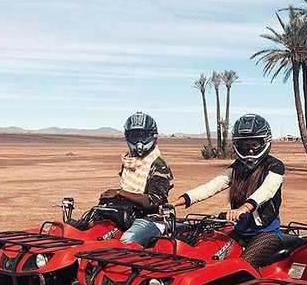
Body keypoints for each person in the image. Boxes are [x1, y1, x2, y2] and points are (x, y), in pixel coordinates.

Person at [172, 113, 284, 268]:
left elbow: (266, 191)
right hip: (240, 232)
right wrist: (174, 203)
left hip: (266, 233)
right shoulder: (236, 168)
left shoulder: (275, 167)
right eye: (245, 145)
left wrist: (243, 208)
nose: (250, 150)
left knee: (240, 266)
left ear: (265, 142)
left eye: (254, 144)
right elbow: (210, 187)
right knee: (207, 253)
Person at [100, 112, 174, 245]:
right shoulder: (129, 161)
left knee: (127, 240)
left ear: (153, 138)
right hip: (127, 213)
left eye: (144, 136)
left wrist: (119, 193)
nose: (139, 142)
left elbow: (153, 201)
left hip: (152, 218)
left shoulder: (159, 165)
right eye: (134, 136)